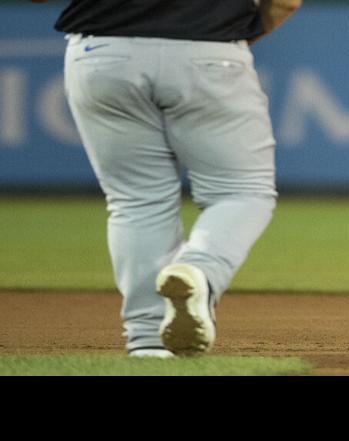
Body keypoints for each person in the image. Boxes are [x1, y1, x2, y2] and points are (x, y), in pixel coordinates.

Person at [35, 0, 302, 358]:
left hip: (101, 49)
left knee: (136, 201)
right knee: (243, 191)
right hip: (208, 45)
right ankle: (200, 272)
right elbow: (285, 1)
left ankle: (148, 340)